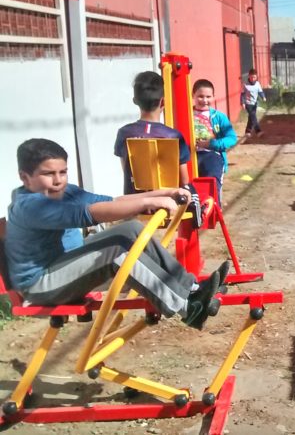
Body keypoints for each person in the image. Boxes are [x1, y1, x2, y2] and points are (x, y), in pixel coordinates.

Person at [5, 138, 230, 329]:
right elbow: (90, 213)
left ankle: (192, 288)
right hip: (41, 286)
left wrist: (165, 192)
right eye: (48, 174)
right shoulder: (31, 206)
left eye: (63, 172)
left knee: (130, 229)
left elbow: (111, 201)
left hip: (65, 270)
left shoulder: (64, 191)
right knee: (116, 253)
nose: (58, 180)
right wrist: (147, 203)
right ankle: (187, 307)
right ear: (25, 177)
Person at [115, 71, 191, 195]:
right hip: (167, 202)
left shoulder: (123, 133)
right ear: (163, 102)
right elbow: (184, 180)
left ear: (135, 101)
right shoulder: (174, 136)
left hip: (134, 204)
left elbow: (127, 171)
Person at [192, 79, 237, 200]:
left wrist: (211, 144)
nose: (204, 100)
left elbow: (232, 138)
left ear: (213, 97)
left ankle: (213, 211)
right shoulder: (186, 114)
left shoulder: (219, 117)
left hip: (212, 155)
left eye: (208, 96)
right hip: (190, 155)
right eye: (200, 96)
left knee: (211, 186)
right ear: (193, 95)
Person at [241, 68, 267, 137]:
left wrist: (263, 97)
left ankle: (247, 131)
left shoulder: (257, 84)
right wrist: (243, 103)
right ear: (249, 76)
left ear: (256, 77)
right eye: (251, 77)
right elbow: (242, 95)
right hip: (248, 103)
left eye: (254, 77)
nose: (253, 78)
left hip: (254, 103)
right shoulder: (245, 84)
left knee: (251, 117)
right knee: (253, 117)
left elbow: (260, 91)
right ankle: (258, 131)